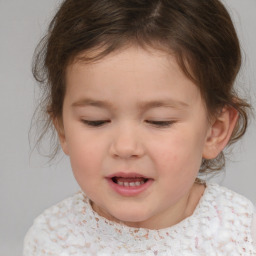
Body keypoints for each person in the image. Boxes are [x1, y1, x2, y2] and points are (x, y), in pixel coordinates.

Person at [23, 0, 256, 255]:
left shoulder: (240, 236)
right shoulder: (51, 239)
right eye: (95, 120)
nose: (125, 147)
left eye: (159, 121)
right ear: (63, 128)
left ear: (215, 130)